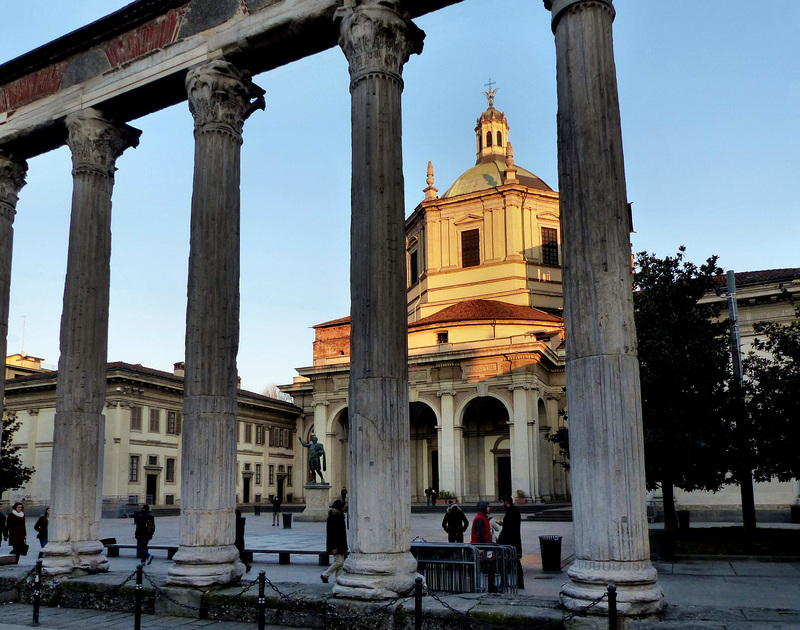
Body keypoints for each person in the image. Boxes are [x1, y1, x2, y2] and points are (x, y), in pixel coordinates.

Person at [497, 495, 524, 588]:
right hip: (513, 541)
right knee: (515, 561)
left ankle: (517, 582)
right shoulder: (513, 511)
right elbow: (511, 525)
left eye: (502, 502)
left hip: (511, 541)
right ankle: (519, 582)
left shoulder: (511, 512)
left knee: (511, 561)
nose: (501, 504)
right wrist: (504, 524)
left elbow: (509, 529)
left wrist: (500, 541)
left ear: (506, 502)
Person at [320, 499, 348, 584]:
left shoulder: (340, 516)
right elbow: (332, 533)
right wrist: (333, 547)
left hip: (341, 543)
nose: (345, 508)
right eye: (343, 506)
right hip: (337, 544)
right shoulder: (333, 517)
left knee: (341, 563)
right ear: (339, 508)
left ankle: (337, 579)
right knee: (338, 562)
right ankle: (325, 575)